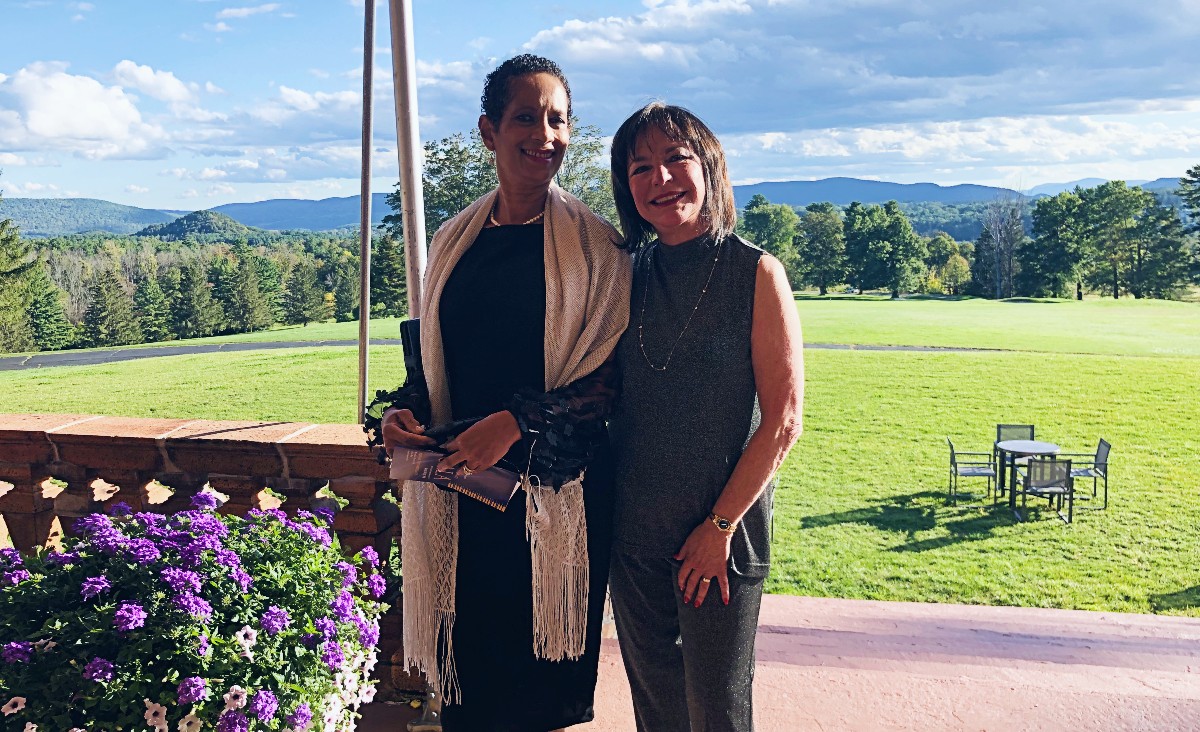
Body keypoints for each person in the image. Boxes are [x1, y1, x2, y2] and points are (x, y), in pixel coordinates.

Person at [363, 55, 631, 731]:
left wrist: (516, 421)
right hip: (459, 497)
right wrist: (401, 414)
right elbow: (435, 365)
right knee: (468, 696)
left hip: (551, 501)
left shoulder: (599, 247)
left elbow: (610, 383)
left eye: (557, 118)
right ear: (488, 131)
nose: (545, 134)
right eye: (525, 117)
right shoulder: (454, 242)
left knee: (533, 698)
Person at [606, 102, 805, 732]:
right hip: (632, 534)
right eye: (641, 168)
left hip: (722, 534)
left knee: (717, 712)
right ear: (626, 187)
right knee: (656, 709)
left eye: (676, 159)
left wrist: (718, 526)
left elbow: (783, 421)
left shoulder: (756, 273)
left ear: (709, 166)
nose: (660, 179)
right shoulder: (624, 275)